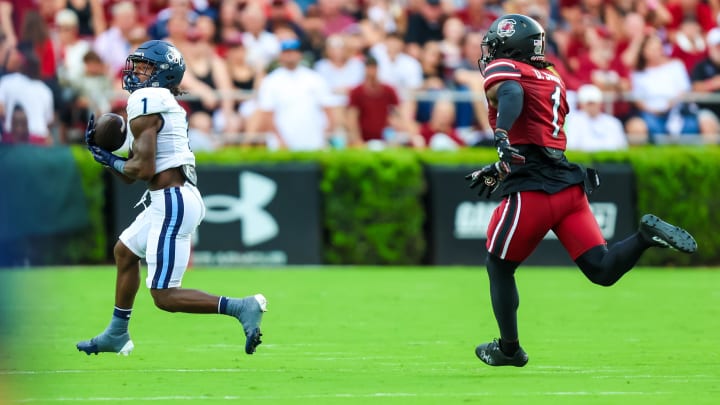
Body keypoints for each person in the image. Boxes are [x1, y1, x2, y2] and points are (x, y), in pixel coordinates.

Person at [465, 14, 697, 368]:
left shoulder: (509, 73)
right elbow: (539, 141)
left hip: (535, 191)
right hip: (568, 186)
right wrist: (500, 167)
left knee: (498, 266)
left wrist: (500, 134)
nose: (491, 53)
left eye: (495, 46)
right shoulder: (552, 76)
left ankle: (509, 348)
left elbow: (511, 93)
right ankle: (644, 236)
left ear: (510, 48)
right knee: (601, 270)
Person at [77, 40, 267, 357]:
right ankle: (116, 333)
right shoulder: (156, 100)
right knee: (124, 252)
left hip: (173, 200)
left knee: (164, 296)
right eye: (136, 65)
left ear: (164, 74)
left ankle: (240, 307)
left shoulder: (149, 98)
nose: (136, 72)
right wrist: (106, 156)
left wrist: (110, 159)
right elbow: (132, 173)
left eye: (145, 66)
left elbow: (142, 167)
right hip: (167, 197)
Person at [565, 84, 628, 152]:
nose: (592, 107)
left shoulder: (613, 123)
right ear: (582, 104)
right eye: (589, 103)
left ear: (600, 103)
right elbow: (572, 147)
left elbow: (622, 148)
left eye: (594, 103)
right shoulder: (574, 122)